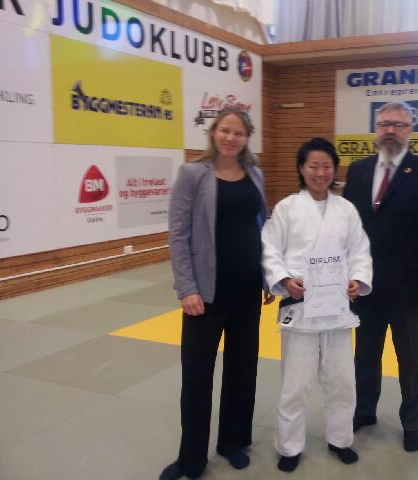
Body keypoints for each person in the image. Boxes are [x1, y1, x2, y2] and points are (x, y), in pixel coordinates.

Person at [160, 106, 273, 480]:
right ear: (213, 132)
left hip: (246, 291)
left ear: (247, 137)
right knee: (197, 376)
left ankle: (232, 442)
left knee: (243, 370)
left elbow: (263, 229)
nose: (231, 137)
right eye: (225, 130)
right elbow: (178, 235)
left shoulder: (255, 174)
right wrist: (186, 288)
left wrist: (269, 277)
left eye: (238, 133)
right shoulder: (193, 174)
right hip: (204, 296)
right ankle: (190, 458)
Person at [342, 101, 418, 452]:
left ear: (410, 131)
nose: (390, 130)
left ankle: (412, 423)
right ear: (376, 129)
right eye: (385, 124)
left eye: (399, 124)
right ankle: (364, 410)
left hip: (411, 289)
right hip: (364, 287)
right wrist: (342, 273)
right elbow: (346, 227)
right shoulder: (358, 171)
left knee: (412, 361)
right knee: (365, 356)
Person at [261, 138, 373, 472]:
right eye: (314, 166)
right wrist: (284, 280)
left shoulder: (346, 209)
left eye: (327, 166)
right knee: (295, 384)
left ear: (334, 169)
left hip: (337, 310)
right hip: (300, 307)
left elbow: (360, 251)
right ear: (301, 168)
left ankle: (340, 439)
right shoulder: (286, 208)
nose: (320, 172)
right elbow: (270, 249)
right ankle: (289, 446)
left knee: (342, 381)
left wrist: (357, 280)